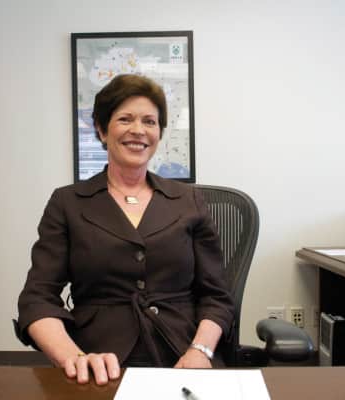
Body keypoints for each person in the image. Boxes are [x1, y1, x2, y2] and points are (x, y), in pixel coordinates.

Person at [16, 74, 234, 385]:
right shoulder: (67, 202)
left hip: (183, 352)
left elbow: (217, 296)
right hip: (99, 358)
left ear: (159, 133)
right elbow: (37, 298)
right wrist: (74, 357)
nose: (139, 130)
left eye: (150, 121)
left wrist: (200, 350)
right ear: (102, 129)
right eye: (125, 119)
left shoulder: (189, 201)